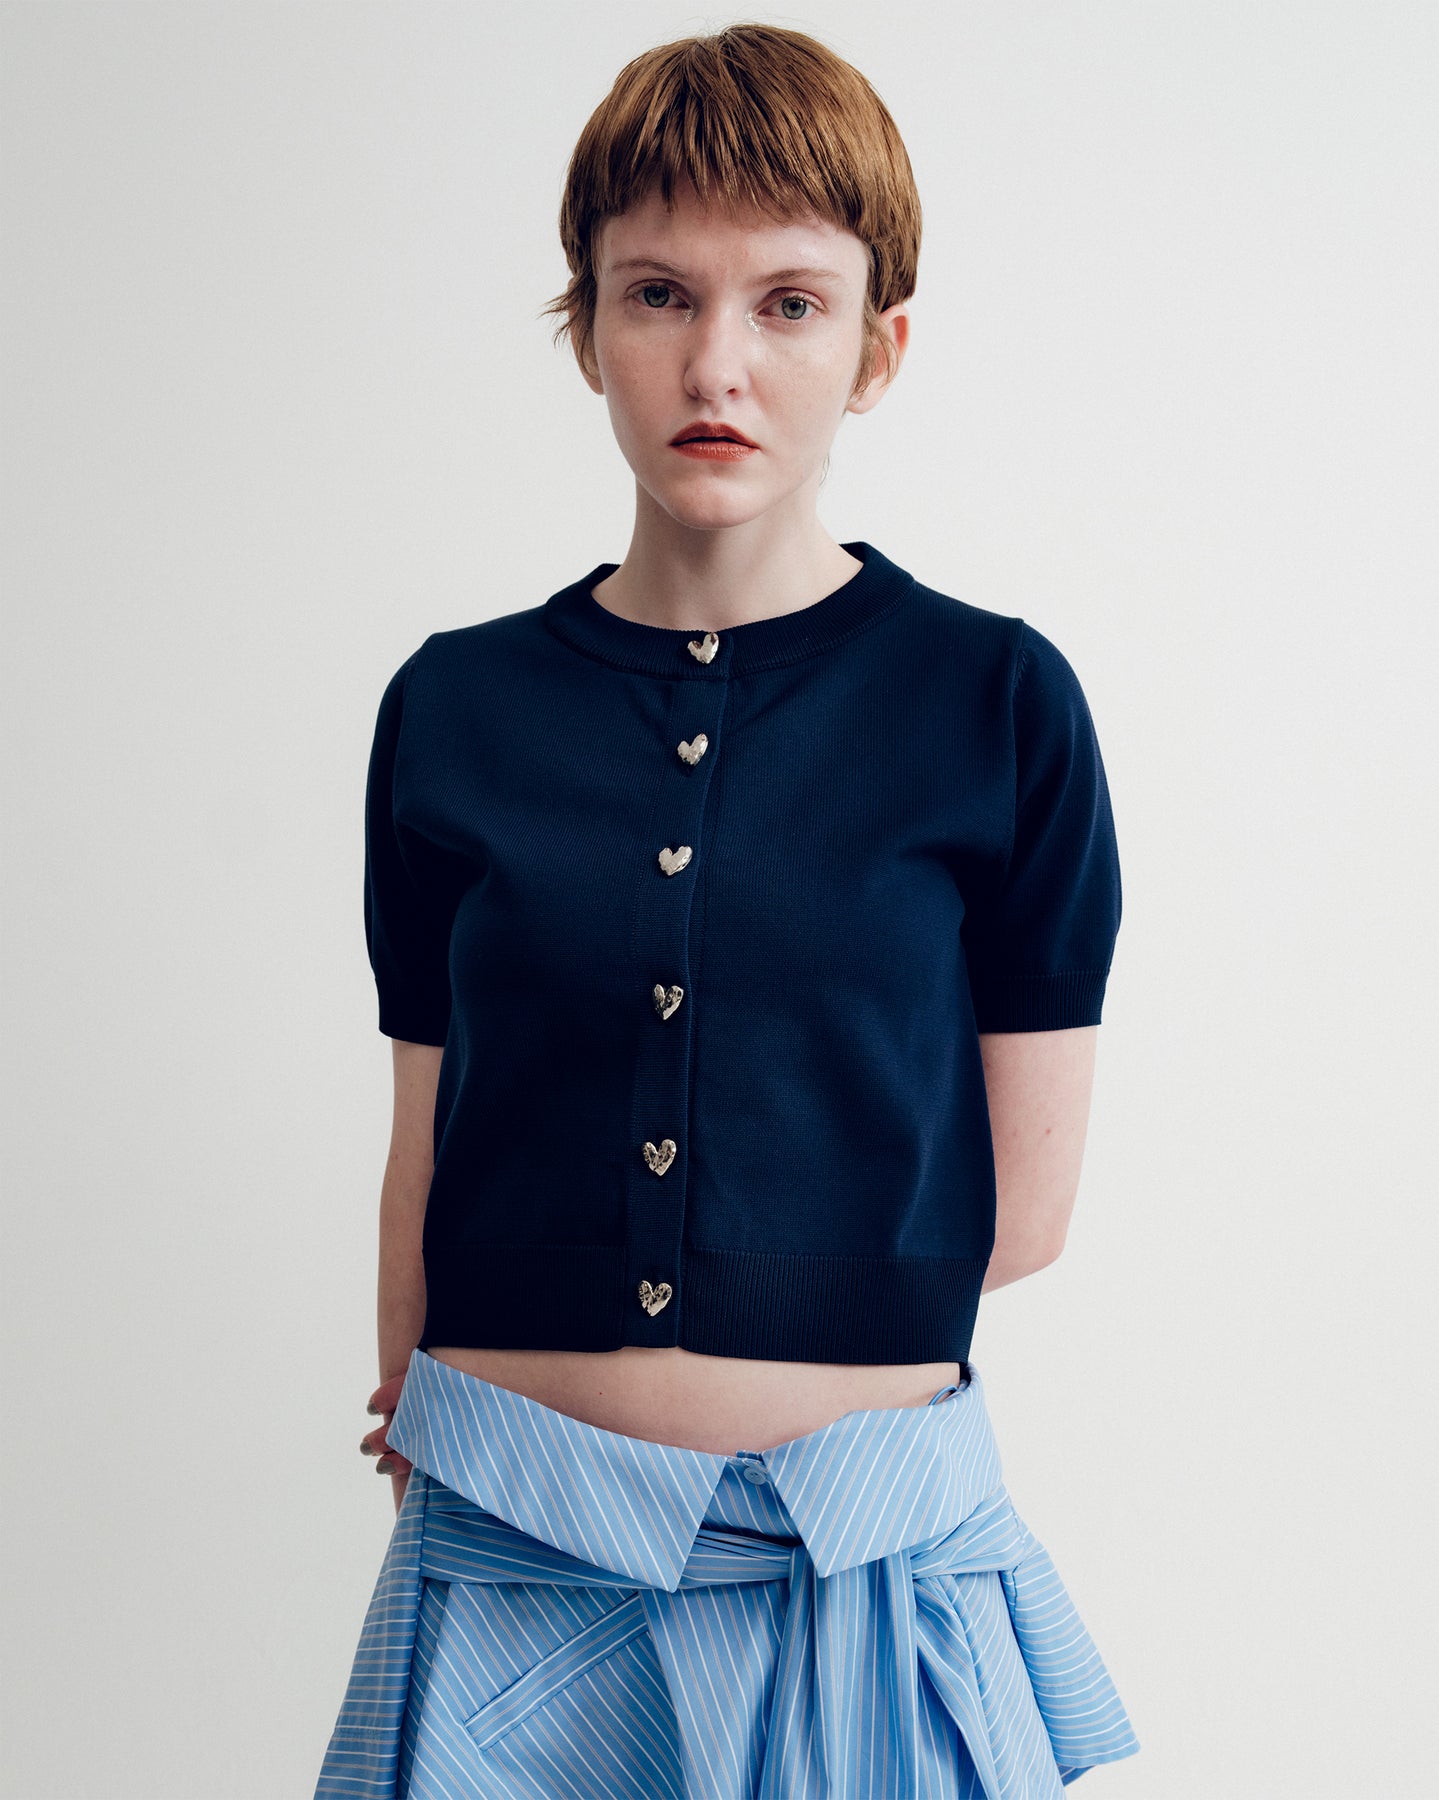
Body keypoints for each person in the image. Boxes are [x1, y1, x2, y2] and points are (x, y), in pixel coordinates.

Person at [316, 23, 1141, 1799]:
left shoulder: (997, 705)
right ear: (585, 330)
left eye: (789, 304)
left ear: (877, 349)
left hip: (863, 1572)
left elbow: (1016, 1207)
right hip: (508, 1566)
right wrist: (433, 1391)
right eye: (657, 295)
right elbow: (426, 1142)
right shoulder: (452, 708)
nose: (717, 363)